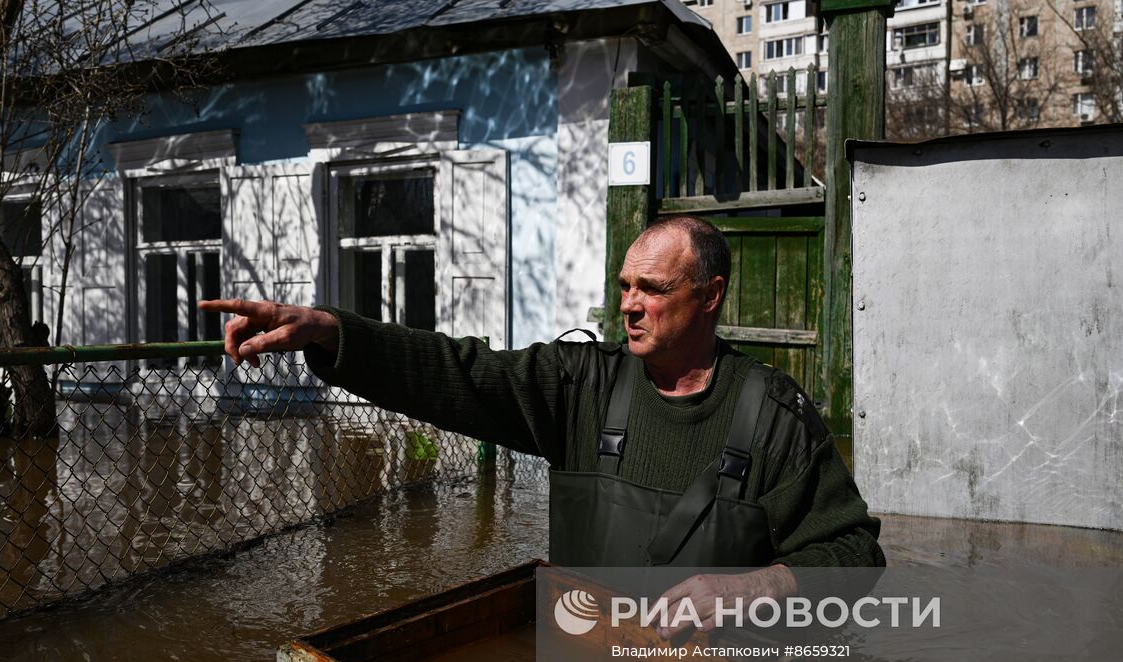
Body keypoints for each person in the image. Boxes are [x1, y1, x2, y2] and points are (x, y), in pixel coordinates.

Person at [200, 216, 883, 635]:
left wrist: (751, 587)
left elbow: (856, 555)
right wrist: (333, 332)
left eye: (652, 289)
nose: (631, 306)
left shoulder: (773, 416)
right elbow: (459, 372)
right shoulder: (581, 384)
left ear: (710, 296)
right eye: (624, 287)